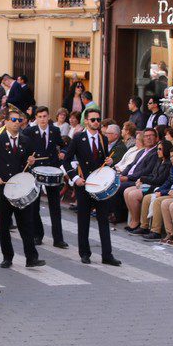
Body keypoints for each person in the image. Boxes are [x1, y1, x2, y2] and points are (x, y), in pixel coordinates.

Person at [0, 107, 45, 269]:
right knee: (4, 225)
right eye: (13, 120)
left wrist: (32, 161)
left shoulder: (26, 140)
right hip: (3, 189)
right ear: (5, 122)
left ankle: (31, 257)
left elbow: (31, 161)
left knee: (26, 224)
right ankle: (7, 257)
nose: (16, 123)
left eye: (19, 120)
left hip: (21, 189)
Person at [67, 109, 122, 266]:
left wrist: (110, 162)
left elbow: (104, 160)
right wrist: (75, 178)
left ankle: (107, 255)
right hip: (84, 184)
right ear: (86, 122)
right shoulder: (78, 138)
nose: (96, 122)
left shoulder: (103, 139)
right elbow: (67, 160)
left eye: (98, 119)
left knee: (103, 219)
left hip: (99, 184)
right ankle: (84, 253)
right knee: (83, 220)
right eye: (93, 120)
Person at [23, 106, 67, 248]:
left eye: (45, 116)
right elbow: (23, 149)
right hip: (35, 171)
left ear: (49, 117)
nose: (42, 119)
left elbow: (64, 145)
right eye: (40, 116)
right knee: (34, 205)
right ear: (36, 118)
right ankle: (38, 234)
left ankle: (58, 239)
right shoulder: (29, 132)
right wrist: (28, 158)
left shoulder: (55, 130)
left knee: (55, 206)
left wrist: (63, 152)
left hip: (51, 171)